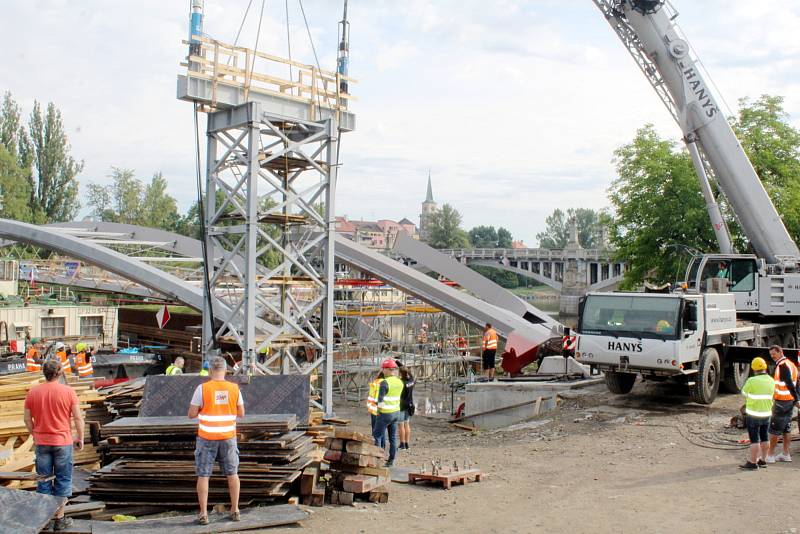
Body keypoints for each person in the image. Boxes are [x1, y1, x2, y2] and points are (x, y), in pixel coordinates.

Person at [23, 360, 84, 532]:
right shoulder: (68, 392)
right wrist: (80, 437)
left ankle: (46, 520)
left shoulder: (33, 393)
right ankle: (60, 519)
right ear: (59, 373)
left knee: (43, 480)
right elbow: (78, 418)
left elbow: (27, 419)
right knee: (63, 479)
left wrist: (35, 434)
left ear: (44, 372)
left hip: (42, 443)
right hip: (63, 442)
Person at [188, 356, 244, 524]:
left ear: (210, 370)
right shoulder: (234, 388)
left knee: (203, 475)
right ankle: (235, 510)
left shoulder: (202, 389)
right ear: (226, 370)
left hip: (207, 438)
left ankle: (204, 513)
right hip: (228, 438)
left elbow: (191, 414)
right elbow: (241, 413)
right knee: (233, 474)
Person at [739, 357, 774, 469]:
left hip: (754, 414)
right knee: (765, 437)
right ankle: (763, 460)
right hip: (767, 414)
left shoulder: (751, 381)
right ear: (765, 367)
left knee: (755, 439)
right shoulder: (771, 380)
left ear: (754, 369)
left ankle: (752, 462)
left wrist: (751, 397)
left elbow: (743, 392)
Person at [766, 345, 799, 463]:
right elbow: (796, 382)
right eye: (771, 355)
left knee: (774, 429)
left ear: (780, 352)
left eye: (774, 354)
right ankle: (786, 454)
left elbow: (790, 384)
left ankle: (769, 455)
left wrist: (796, 399)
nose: (772, 357)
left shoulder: (783, 365)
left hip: (782, 401)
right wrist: (795, 399)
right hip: (788, 401)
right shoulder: (791, 364)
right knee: (786, 428)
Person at [372, 358, 404, 467]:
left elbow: (380, 402)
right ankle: (391, 460)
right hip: (396, 413)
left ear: (387, 369)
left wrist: (378, 412)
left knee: (377, 435)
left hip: (385, 413)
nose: (382, 371)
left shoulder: (385, 383)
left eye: (383, 369)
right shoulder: (399, 382)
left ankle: (378, 459)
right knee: (393, 438)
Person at [398, 363, 415, 451]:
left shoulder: (401, 382)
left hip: (401, 406)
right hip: (410, 405)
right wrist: (399, 362)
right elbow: (407, 371)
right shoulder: (411, 380)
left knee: (401, 425)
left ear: (400, 373)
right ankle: (407, 444)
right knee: (407, 424)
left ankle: (402, 444)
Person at [366, 370, 384, 448]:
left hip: (374, 410)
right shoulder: (386, 383)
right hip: (382, 410)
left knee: (375, 430)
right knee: (382, 430)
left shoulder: (375, 383)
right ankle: (382, 447)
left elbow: (375, 398)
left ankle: (376, 448)